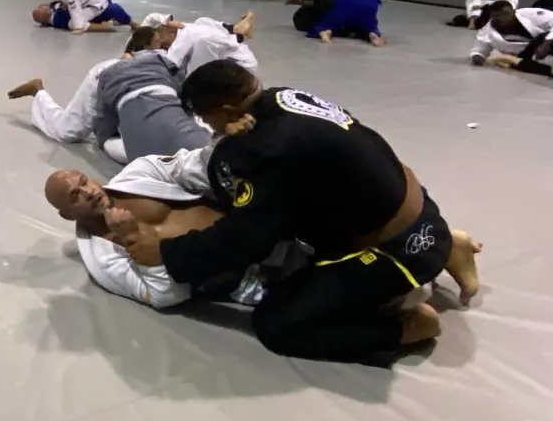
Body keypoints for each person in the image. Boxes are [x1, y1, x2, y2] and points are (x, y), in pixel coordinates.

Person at [104, 60, 482, 363]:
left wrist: (167, 253)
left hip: (394, 249)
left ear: (226, 110)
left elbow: (247, 237)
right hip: (416, 208)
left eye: (207, 120)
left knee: (279, 323)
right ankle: (450, 244)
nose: (209, 128)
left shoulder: (264, 150)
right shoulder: (285, 98)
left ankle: (409, 326)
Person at [45, 153, 263, 311]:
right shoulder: (104, 261)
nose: (89, 193)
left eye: (84, 182)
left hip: (258, 223)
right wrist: (133, 238)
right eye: (75, 196)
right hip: (245, 277)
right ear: (68, 216)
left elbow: (195, 166)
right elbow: (165, 296)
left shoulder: (140, 172)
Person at [8, 25, 160, 162]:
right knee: (68, 131)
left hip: (131, 94)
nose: (165, 48)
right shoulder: (121, 66)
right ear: (146, 47)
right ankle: (38, 91)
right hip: (106, 79)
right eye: (161, 45)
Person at [92, 24, 212, 161]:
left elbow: (102, 123)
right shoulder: (167, 63)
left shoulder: (106, 71)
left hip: (146, 150)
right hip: (189, 143)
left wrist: (105, 138)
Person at [142, 10, 257, 76]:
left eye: (160, 39)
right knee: (201, 22)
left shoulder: (181, 42)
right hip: (240, 54)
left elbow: (169, 67)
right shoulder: (188, 28)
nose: (161, 46)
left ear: (170, 31)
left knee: (202, 44)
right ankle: (237, 31)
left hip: (241, 69)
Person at [292, 0, 384, 46]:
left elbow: (327, 0)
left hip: (345, 0)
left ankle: (325, 31)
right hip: (370, 2)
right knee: (368, 24)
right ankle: (372, 33)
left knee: (328, 23)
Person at [469, 2, 553, 68]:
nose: (501, 18)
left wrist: (546, 44)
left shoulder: (530, 14)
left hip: (544, 43)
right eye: (496, 16)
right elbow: (479, 48)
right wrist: (477, 57)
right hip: (522, 56)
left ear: (514, 11)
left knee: (546, 36)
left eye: (505, 14)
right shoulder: (488, 30)